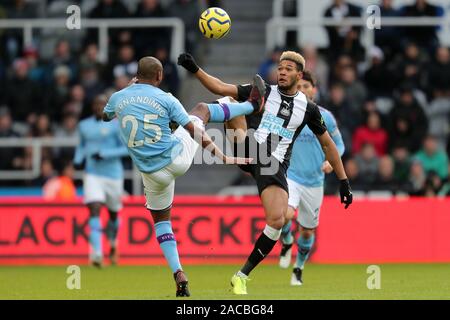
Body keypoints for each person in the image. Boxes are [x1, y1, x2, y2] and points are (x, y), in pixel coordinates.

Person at [177, 51, 353, 295]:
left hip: (275, 164)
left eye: (288, 69)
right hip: (250, 148)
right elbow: (218, 85)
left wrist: (344, 181)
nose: (282, 71)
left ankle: (241, 276)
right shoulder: (264, 91)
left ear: (299, 74)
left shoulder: (309, 109)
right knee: (230, 100)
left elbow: (328, 145)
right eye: (280, 68)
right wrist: (194, 68)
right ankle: (193, 120)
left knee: (277, 222)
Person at [102, 56, 258, 297]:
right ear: (159, 76)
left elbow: (105, 115)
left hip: (150, 173)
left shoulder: (117, 98)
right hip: (176, 160)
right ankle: (251, 106)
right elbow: (194, 130)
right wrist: (223, 156)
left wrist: (128, 90)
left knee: (162, 223)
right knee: (202, 110)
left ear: (136, 76)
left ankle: (178, 271)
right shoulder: (166, 98)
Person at [277, 71, 345, 285]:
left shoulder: (326, 117)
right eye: (300, 86)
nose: (304, 90)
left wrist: (331, 162)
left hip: (315, 182)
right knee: (283, 215)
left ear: (314, 90)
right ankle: (287, 240)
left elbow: (339, 146)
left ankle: (299, 268)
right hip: (292, 176)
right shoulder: (287, 114)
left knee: (307, 231)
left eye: (307, 86)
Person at [74, 94, 129, 268]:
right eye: (96, 104)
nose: (99, 107)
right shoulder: (84, 125)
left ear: (107, 107)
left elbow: (126, 149)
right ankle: (96, 253)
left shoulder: (116, 126)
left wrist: (105, 154)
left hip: (113, 175)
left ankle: (112, 243)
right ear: (92, 107)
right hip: (92, 174)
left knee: (113, 214)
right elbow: (82, 146)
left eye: (102, 104)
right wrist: (77, 159)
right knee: (94, 208)